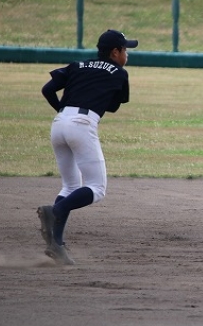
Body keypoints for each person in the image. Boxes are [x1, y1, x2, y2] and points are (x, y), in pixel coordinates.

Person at [37, 29, 138, 265]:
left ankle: (56, 244)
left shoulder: (78, 65)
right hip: (82, 124)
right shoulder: (119, 72)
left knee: (70, 186)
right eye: (125, 49)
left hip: (59, 123)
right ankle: (54, 212)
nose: (127, 54)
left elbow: (47, 89)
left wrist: (64, 111)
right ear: (115, 52)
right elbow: (114, 106)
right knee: (97, 188)